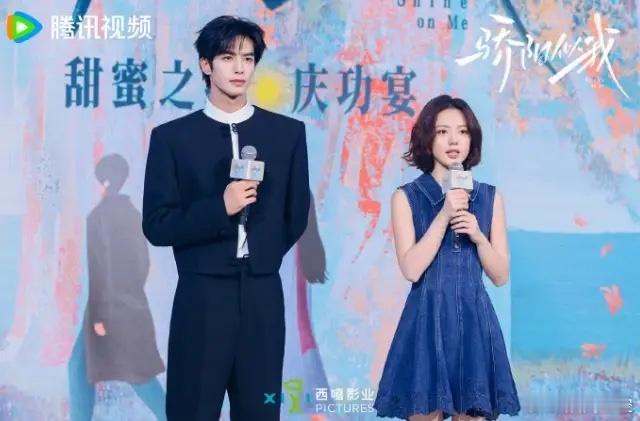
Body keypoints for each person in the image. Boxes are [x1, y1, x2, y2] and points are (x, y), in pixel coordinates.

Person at [141, 15, 310, 421]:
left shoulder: (286, 134)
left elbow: (294, 215)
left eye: (248, 59)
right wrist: (220, 208)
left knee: (261, 410)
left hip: (262, 297)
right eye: (228, 57)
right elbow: (158, 224)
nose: (239, 68)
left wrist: (262, 256)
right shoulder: (173, 139)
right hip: (201, 296)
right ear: (206, 64)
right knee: (192, 409)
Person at [373, 95, 521, 420]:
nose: (454, 140)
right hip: (426, 321)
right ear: (427, 138)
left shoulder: (490, 198)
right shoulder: (406, 197)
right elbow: (411, 269)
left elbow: (500, 275)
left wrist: (478, 236)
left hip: (474, 322)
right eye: (442, 132)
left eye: (463, 132)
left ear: (472, 139)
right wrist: (444, 215)